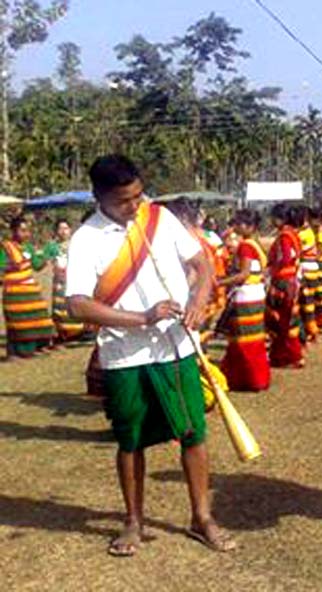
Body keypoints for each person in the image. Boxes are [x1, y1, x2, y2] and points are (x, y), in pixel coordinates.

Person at [65, 154, 234, 556]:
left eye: (138, 195)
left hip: (176, 347)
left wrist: (198, 300)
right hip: (125, 356)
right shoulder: (85, 239)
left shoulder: (160, 218)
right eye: (123, 200)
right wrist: (142, 318)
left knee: (193, 432)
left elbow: (202, 264)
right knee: (131, 440)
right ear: (98, 197)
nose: (134, 206)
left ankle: (202, 518)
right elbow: (77, 305)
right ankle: (133, 522)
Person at [216, 208, 270, 392]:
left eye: (240, 223)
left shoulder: (246, 246)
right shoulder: (255, 244)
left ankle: (250, 379)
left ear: (249, 226)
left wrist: (219, 282)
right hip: (256, 293)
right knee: (252, 338)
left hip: (246, 296)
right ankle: (250, 377)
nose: (237, 226)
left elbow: (243, 274)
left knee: (244, 339)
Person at [165, 198, 226, 345]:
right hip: (210, 290)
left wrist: (182, 292)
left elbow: (195, 271)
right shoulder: (207, 236)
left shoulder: (189, 239)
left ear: (182, 218)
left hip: (198, 295)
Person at [2, 216, 56, 358]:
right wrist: (13, 266)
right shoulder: (5, 248)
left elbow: (36, 265)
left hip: (31, 291)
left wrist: (46, 255)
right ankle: (19, 352)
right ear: (13, 231)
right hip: (14, 292)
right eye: (22, 230)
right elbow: (1, 267)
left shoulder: (29, 248)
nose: (26, 234)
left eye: (28, 231)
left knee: (40, 317)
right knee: (19, 322)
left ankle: (40, 346)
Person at [266, 203, 304, 368]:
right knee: (288, 318)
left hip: (283, 280)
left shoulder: (284, 236)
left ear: (280, 219)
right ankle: (288, 354)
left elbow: (285, 258)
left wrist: (272, 267)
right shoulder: (293, 234)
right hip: (292, 279)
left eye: (273, 218)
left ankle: (288, 355)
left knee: (280, 319)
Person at [49, 218, 89, 343]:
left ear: (70, 230)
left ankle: (78, 332)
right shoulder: (52, 246)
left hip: (74, 279)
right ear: (56, 231)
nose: (63, 231)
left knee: (74, 304)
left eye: (65, 228)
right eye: (60, 228)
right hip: (59, 282)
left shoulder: (77, 244)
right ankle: (63, 333)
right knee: (60, 306)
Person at [294, 206, 320, 343]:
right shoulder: (308, 231)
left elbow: (298, 251)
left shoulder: (303, 234)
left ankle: (311, 331)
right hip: (311, 268)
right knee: (308, 303)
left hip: (306, 269)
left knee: (306, 303)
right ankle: (310, 330)